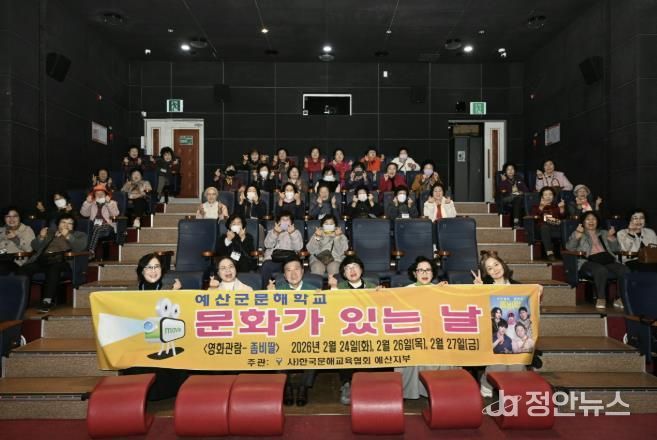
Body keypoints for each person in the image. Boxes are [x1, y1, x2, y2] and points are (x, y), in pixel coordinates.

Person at [266, 256, 321, 407]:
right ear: (284, 275)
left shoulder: (314, 290)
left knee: (315, 350)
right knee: (274, 348)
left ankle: (304, 387)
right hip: (283, 335)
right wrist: (269, 297)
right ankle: (287, 386)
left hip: (307, 335)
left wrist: (325, 297)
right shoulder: (277, 291)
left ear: (302, 271)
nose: (293, 273)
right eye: (288, 270)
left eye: (296, 269)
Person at [395, 257, 453, 399]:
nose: (424, 273)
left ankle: (441, 390)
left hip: (435, 334)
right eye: (420, 270)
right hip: (413, 334)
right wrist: (379, 293)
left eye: (428, 270)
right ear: (415, 273)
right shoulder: (405, 291)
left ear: (433, 273)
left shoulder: (441, 289)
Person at [327, 255, 379, 405]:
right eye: (347, 268)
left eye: (355, 266)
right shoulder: (339, 287)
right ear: (344, 274)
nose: (352, 270)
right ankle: (346, 384)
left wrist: (382, 295)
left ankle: (366, 384)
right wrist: (333, 289)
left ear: (361, 270)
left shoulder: (372, 286)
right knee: (343, 347)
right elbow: (331, 309)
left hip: (368, 330)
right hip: (346, 331)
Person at [19, 214, 88, 312]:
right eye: (63, 222)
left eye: (70, 223)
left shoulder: (79, 235)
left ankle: (47, 301)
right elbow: (35, 247)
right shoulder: (50, 233)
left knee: (54, 268)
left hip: (63, 261)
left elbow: (80, 247)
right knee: (25, 269)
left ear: (73, 226)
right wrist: (41, 237)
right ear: (58, 224)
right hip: (44, 260)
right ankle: (19, 299)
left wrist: (67, 236)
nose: (66, 225)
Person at [566, 211, 629, 309]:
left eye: (593, 219)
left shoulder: (604, 233)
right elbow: (569, 248)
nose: (591, 221)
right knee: (600, 270)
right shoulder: (579, 233)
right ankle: (601, 298)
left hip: (605, 259)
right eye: (588, 219)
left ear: (597, 221)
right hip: (587, 260)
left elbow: (616, 249)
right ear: (583, 222)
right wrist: (577, 236)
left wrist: (611, 238)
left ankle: (621, 299)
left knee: (624, 269)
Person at [261, 211, 303, 285]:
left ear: (291, 222)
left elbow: (298, 248)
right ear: (278, 222)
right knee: (266, 266)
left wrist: (292, 233)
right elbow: (267, 245)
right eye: (283, 220)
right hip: (273, 260)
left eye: (287, 220)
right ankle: (265, 288)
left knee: (292, 267)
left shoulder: (296, 232)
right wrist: (275, 233)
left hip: (289, 260)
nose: (285, 222)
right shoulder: (272, 232)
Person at [80, 185, 120, 260]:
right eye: (97, 194)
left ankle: (90, 251)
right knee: (96, 228)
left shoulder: (112, 203)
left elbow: (115, 214)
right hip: (93, 227)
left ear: (106, 195)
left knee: (96, 228)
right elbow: (84, 214)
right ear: (94, 195)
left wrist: (108, 203)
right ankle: (90, 252)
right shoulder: (91, 203)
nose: (99, 195)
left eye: (102, 193)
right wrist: (87, 203)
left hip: (107, 226)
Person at [530, 186, 565, 261]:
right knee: (545, 225)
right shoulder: (536, 206)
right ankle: (549, 252)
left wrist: (562, 209)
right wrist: (541, 208)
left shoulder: (556, 206)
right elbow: (534, 217)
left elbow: (562, 218)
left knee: (564, 226)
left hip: (556, 227)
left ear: (553, 196)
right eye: (545, 195)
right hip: (541, 228)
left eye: (550, 194)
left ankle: (566, 252)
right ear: (542, 197)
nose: (548, 197)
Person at [0, 207, 35, 274]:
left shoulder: (27, 230)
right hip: (2, 259)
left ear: (20, 218)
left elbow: (29, 249)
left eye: (15, 216)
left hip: (16, 262)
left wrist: (15, 239)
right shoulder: (2, 230)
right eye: (8, 216)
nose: (11, 219)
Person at [497, 163, 529, 228]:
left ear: (515, 171)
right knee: (517, 197)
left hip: (518, 198)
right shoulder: (503, 180)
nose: (510, 171)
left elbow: (526, 190)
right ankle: (516, 222)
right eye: (508, 169)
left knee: (518, 199)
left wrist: (520, 192)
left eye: (512, 169)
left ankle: (516, 222)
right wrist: (506, 182)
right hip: (507, 198)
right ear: (505, 171)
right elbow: (502, 192)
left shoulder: (519, 178)